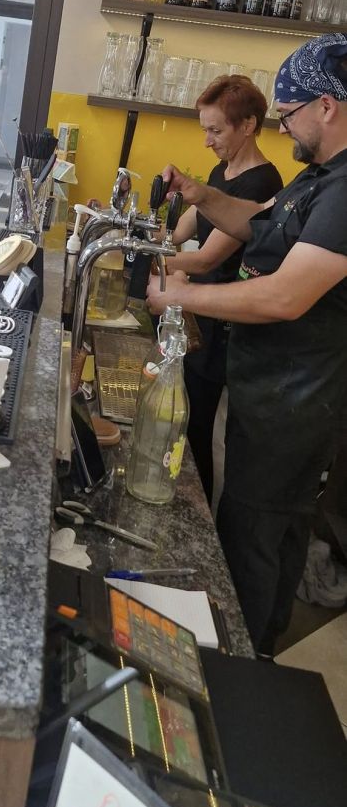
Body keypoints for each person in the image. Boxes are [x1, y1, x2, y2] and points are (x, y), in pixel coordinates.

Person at [147, 33, 347, 656]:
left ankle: (241, 665)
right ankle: (262, 648)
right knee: (273, 530)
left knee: (253, 536)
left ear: (326, 106)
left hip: (297, 404)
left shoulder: (346, 192)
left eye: (290, 115)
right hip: (271, 393)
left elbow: (284, 296)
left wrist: (183, 296)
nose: (285, 130)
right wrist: (203, 195)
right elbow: (258, 226)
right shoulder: (318, 180)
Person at [169, 75, 282, 503]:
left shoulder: (261, 183)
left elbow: (207, 259)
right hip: (197, 311)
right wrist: (150, 241)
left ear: (248, 125)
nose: (207, 141)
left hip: (221, 324)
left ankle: (196, 517)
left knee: (199, 427)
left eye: (215, 131)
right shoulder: (224, 169)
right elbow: (186, 227)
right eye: (205, 130)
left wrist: (153, 266)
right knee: (185, 418)